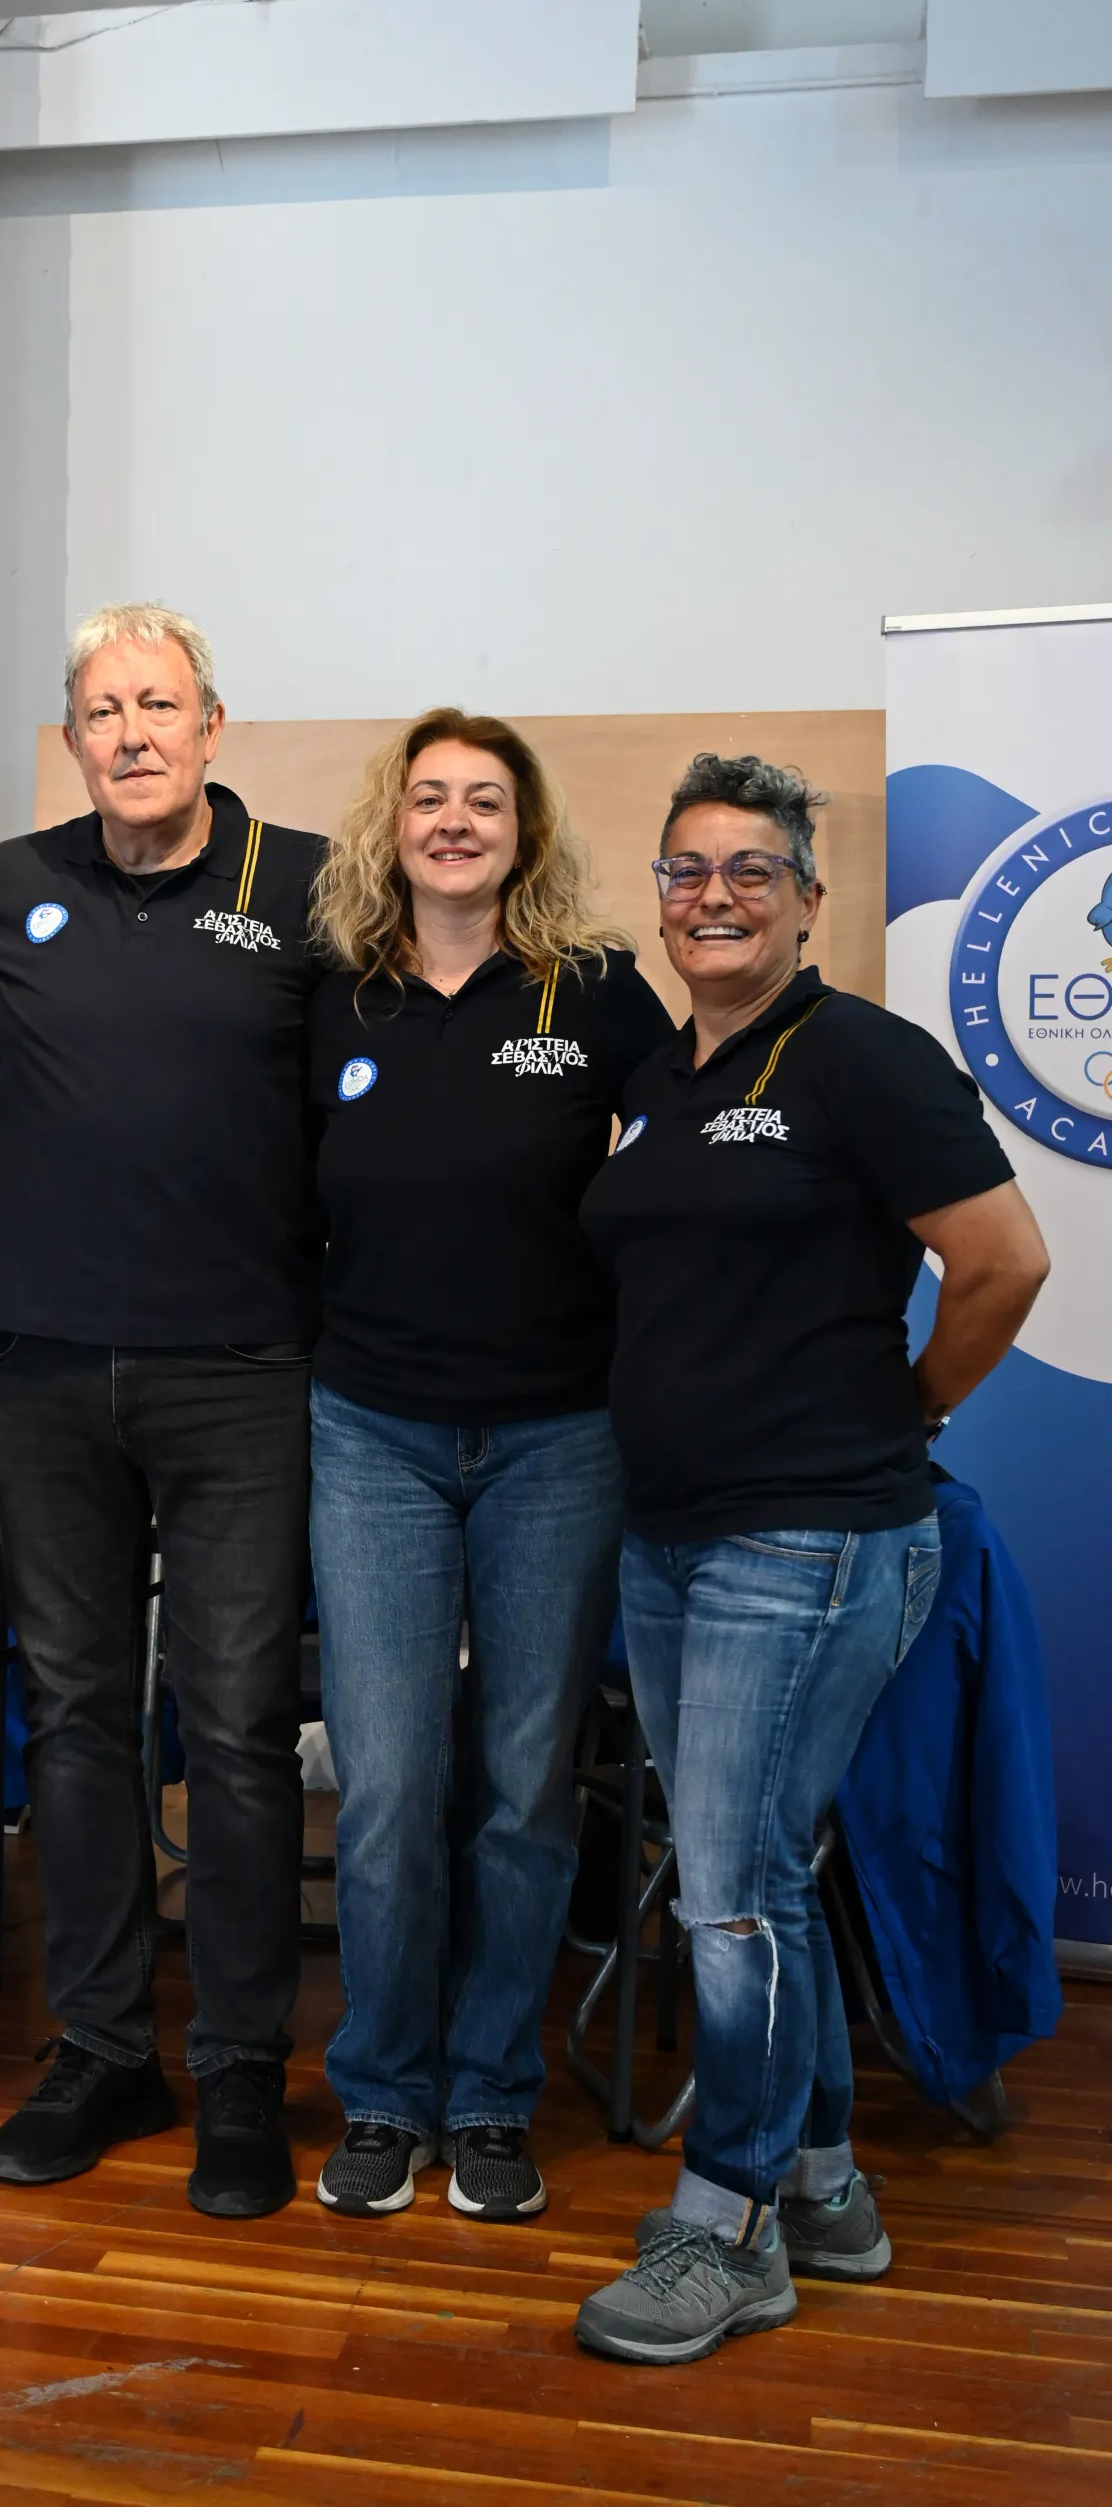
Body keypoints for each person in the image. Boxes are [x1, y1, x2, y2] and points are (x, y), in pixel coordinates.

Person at [574, 752, 1048, 2366]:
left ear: (806, 902)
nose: (714, 896)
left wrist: (908, 1409)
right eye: (687, 870)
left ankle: (731, 2225)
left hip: (815, 1536)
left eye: (749, 872)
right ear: (661, 897)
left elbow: (1002, 1262)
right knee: (757, 1878)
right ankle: (828, 2187)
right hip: (669, 1535)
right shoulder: (663, 1075)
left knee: (730, 1895)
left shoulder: (863, 1058)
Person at [0, 603, 322, 2219]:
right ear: (74, 738)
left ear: (212, 725)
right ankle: (105, 2050)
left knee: (236, 1729)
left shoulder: (307, 887)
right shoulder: (3, 888)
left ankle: (239, 2065)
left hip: (241, 1372)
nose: (134, 734)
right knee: (77, 1719)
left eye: (160, 705)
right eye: (104, 711)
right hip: (40, 1366)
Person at [306, 709, 674, 2223]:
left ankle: (491, 2095)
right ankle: (384, 2094)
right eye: (430, 798)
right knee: (389, 1789)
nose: (455, 822)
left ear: (526, 833)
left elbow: (694, 1152)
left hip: (558, 1439)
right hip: (371, 1432)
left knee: (522, 1789)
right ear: (391, 823)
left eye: (485, 802)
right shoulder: (332, 993)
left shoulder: (594, 990)